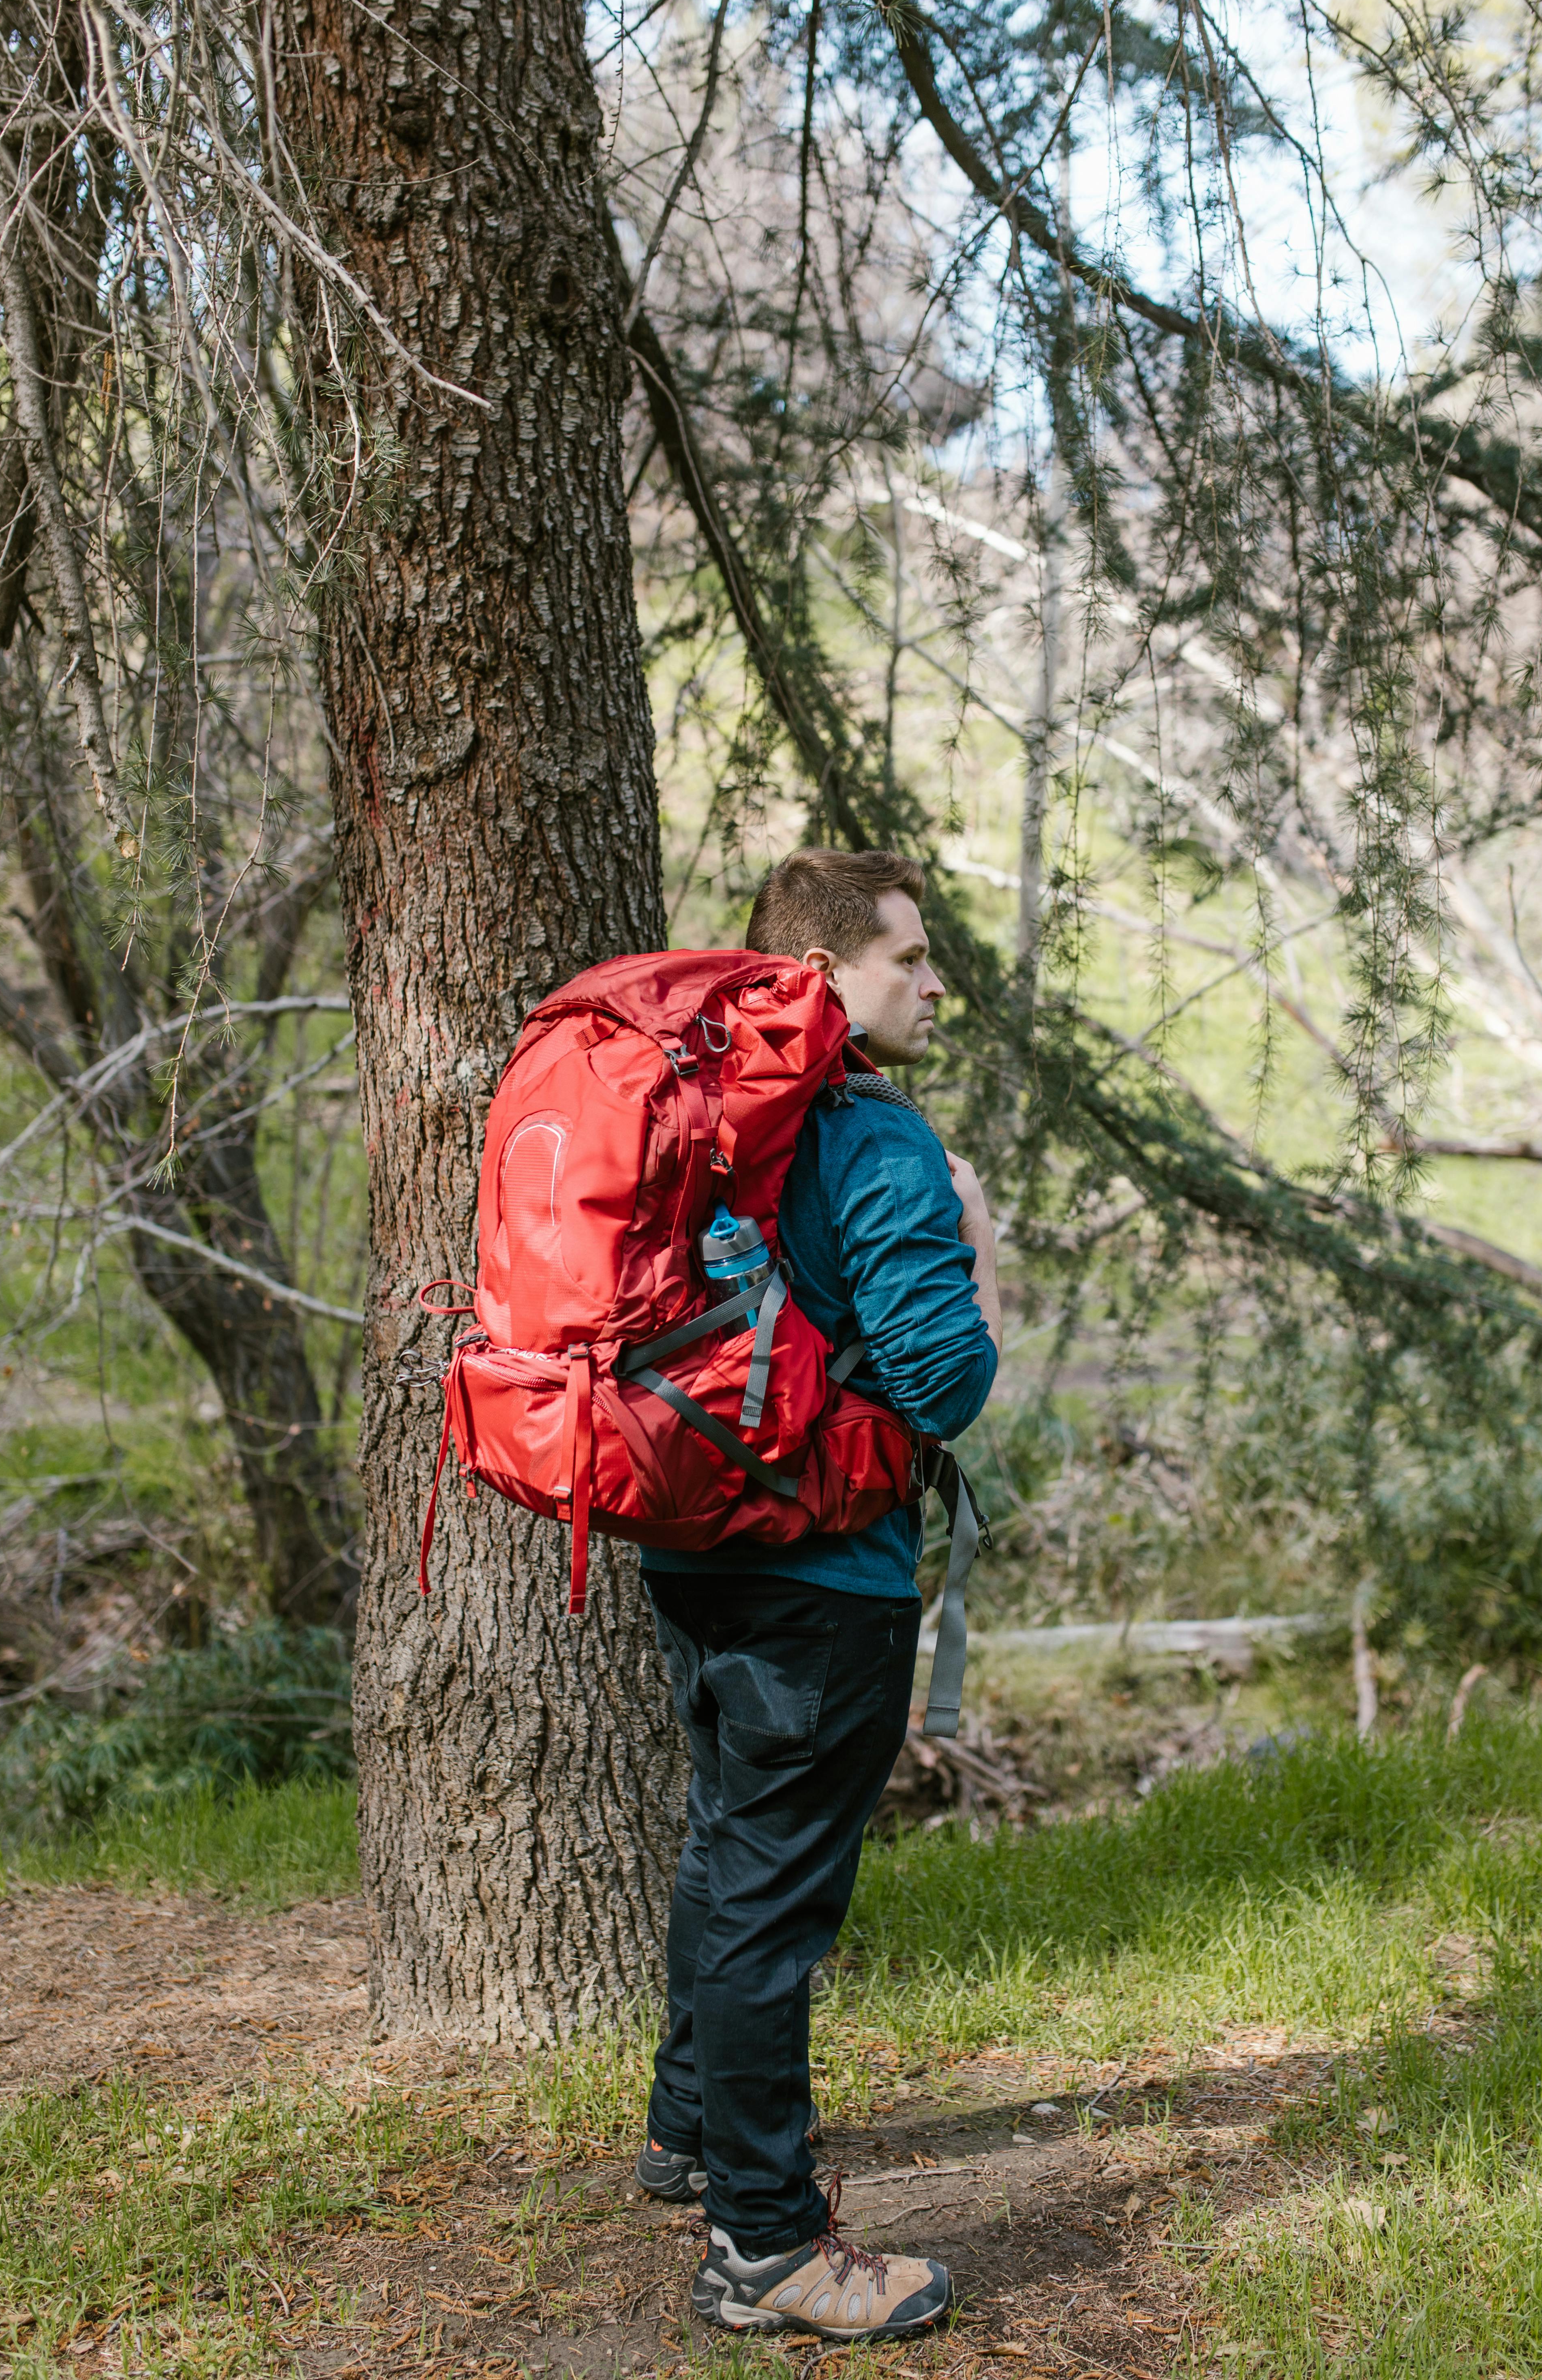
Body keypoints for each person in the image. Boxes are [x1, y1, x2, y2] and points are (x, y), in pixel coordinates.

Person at [635, 848, 1002, 2339]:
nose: (934, 984)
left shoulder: (701, 1124)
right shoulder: (873, 1138)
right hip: (826, 1572)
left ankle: (691, 2137)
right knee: (774, 1898)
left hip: (692, 1545)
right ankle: (765, 2248)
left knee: (730, 1848)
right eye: (908, 958)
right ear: (824, 972)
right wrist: (974, 1246)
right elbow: (942, 1381)